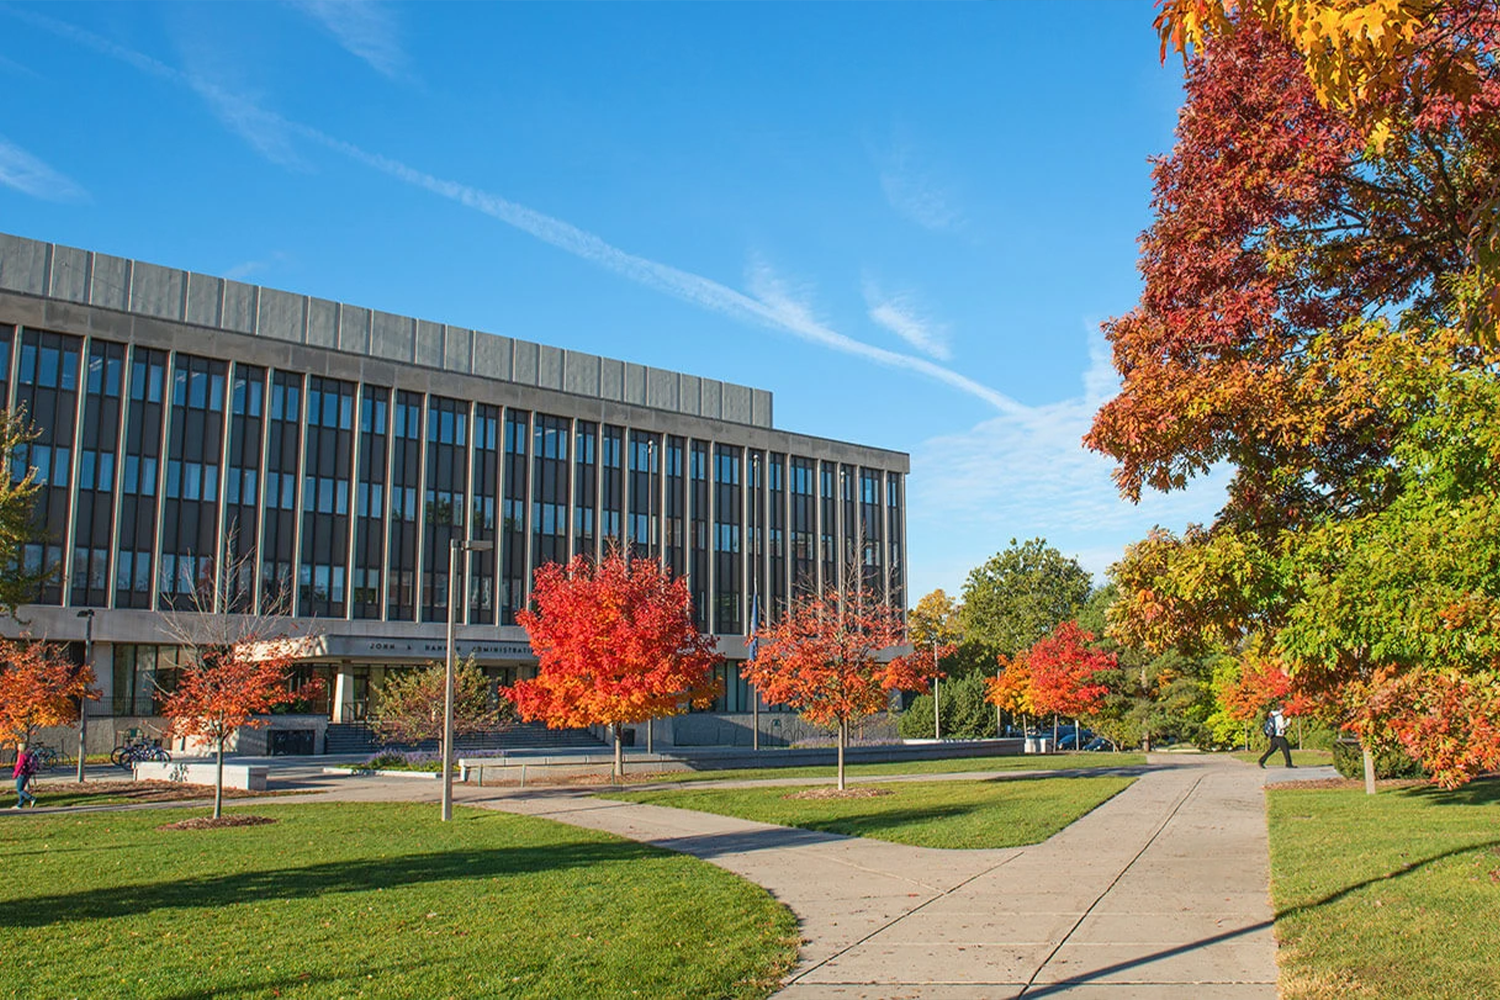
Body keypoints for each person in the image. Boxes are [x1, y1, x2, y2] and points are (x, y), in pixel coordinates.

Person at [12, 744, 38, 808]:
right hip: (27, 774)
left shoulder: (22, 756)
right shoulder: (28, 755)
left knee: (19, 790)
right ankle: (20, 804)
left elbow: (19, 766)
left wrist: (15, 774)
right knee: (21, 789)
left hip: (22, 774)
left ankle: (32, 798)